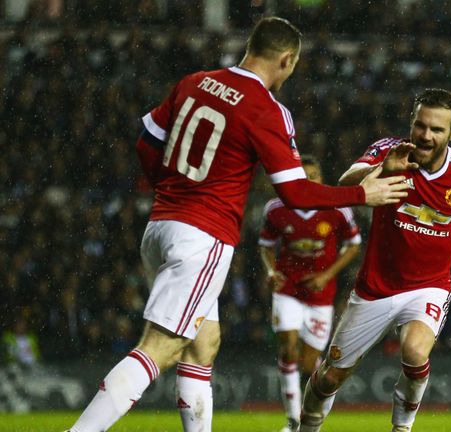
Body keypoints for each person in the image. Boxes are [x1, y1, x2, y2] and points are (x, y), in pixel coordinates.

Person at [68, 16, 409, 432]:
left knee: (203, 344)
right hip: (203, 237)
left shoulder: (195, 81)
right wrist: (362, 195)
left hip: (160, 227)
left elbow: (147, 141)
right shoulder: (267, 109)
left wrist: (174, 189)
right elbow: (296, 193)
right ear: (287, 60)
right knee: (160, 346)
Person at [299, 88, 451, 432]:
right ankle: (306, 427)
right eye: (421, 126)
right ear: (412, 123)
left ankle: (401, 428)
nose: (426, 136)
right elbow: (344, 185)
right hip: (374, 288)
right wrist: (382, 171)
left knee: (416, 352)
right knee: (330, 377)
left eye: (436, 130)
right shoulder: (387, 150)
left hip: (428, 287)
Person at [259, 155, 362, 432]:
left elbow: (354, 245)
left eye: (314, 175)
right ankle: (293, 421)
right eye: (303, 175)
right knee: (288, 348)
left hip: (321, 295)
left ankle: (308, 414)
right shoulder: (277, 208)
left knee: (308, 364)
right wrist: (271, 271)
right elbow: (266, 245)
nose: (309, 180)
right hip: (288, 290)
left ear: (321, 178)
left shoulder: (337, 208)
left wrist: (327, 275)